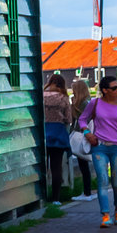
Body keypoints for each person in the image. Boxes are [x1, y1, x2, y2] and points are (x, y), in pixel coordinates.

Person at [76, 74, 117, 227]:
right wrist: (87, 133)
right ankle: (105, 215)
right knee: (102, 180)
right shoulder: (95, 103)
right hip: (99, 146)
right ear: (105, 90)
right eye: (114, 88)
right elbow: (82, 119)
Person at [43, 74, 72, 204]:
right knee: (56, 167)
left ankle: (41, 197)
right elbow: (68, 119)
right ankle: (56, 198)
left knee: (42, 166)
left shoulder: (41, 96)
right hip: (58, 134)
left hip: (43, 133)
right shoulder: (63, 98)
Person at [68, 79, 95, 199]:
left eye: (74, 89)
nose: (72, 91)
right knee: (85, 164)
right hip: (87, 135)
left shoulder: (82, 104)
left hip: (82, 136)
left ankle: (87, 192)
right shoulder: (87, 102)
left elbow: (78, 122)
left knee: (83, 164)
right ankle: (88, 191)